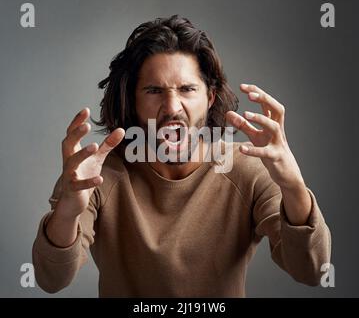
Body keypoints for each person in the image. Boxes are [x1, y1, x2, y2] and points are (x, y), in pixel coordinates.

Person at [32, 15, 331, 297]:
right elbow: (51, 279)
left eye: (187, 89)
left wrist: (293, 186)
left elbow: (312, 270)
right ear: (132, 101)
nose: (172, 107)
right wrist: (68, 210)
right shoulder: (95, 175)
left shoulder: (247, 170)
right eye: (153, 91)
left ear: (209, 98)